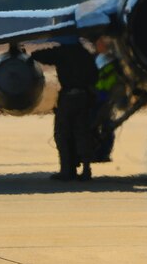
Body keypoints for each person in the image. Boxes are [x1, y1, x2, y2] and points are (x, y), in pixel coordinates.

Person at [31, 40, 98, 181]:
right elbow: (94, 76)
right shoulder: (85, 54)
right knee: (83, 132)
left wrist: (29, 55)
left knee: (63, 134)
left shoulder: (62, 53)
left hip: (68, 98)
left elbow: (40, 55)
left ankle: (67, 170)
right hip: (84, 97)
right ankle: (86, 170)